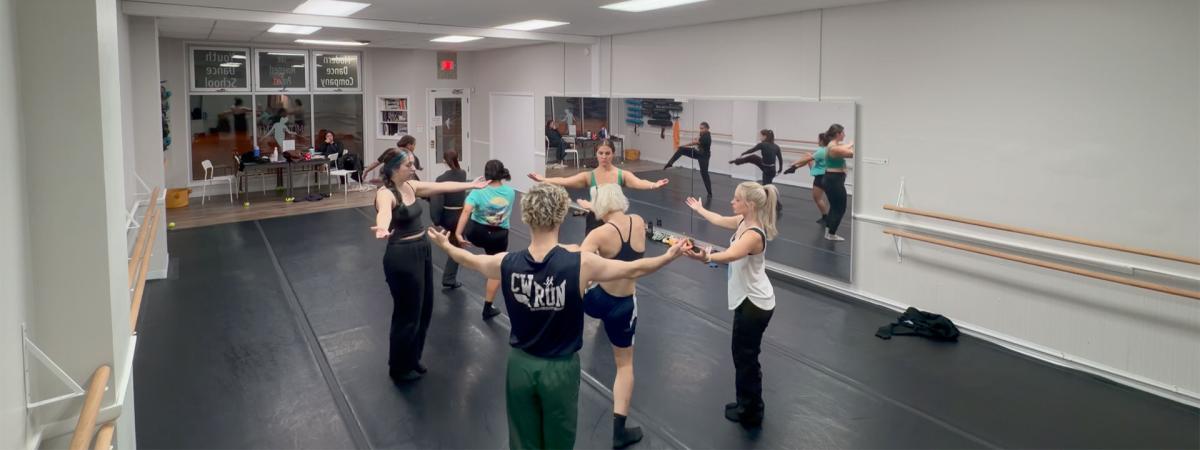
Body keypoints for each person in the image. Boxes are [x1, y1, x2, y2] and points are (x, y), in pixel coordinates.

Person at [428, 182, 691, 450]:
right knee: (559, 442)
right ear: (562, 215)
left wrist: (446, 246)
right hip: (560, 370)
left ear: (525, 216)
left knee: (522, 440)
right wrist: (668, 257)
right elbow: (634, 268)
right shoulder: (581, 265)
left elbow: (469, 260)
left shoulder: (505, 263)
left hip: (520, 366)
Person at [371, 151, 486, 383]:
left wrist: (470, 184)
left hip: (422, 250)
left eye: (413, 163)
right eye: (408, 165)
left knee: (424, 308)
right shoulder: (386, 193)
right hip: (402, 256)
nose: (413, 168)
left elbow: (441, 187)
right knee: (407, 313)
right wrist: (382, 227)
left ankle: (413, 358)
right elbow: (384, 212)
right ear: (393, 168)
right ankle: (399, 367)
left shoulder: (411, 186)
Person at [683, 181, 779, 428]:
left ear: (748, 204)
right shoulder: (742, 222)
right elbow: (717, 219)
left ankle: (752, 411)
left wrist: (707, 257)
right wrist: (700, 209)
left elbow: (732, 254)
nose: (732, 202)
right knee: (741, 354)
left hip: (755, 303)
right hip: (748, 299)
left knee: (746, 357)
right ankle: (745, 401)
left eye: (736, 199)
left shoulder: (753, 234)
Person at [577, 184, 648, 448]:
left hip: (597, 300)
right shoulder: (639, 222)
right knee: (624, 365)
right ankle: (619, 432)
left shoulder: (599, 234)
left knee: (575, 299)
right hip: (623, 305)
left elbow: (580, 267)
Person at [528, 140, 669, 233]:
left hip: (615, 221)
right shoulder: (589, 176)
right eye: (601, 153)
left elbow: (638, 182)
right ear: (596, 154)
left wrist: (653, 185)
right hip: (594, 221)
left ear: (613, 154)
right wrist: (544, 179)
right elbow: (565, 180)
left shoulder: (622, 174)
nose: (604, 157)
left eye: (607, 153)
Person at [457, 160, 516, 320]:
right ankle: (488, 307)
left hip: (477, 234)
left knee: (469, 216)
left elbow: (465, 212)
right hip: (498, 236)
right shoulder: (511, 193)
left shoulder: (477, 192)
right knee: (495, 270)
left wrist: (458, 234)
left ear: (486, 173)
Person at [431, 149, 467, 289]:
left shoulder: (441, 179)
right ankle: (449, 278)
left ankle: (449, 278)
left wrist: (436, 220)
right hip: (460, 216)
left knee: (454, 246)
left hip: (448, 217)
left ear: (444, 161)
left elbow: (437, 202)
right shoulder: (463, 174)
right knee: (456, 245)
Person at [783, 132, 833, 225]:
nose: (817, 141)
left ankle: (826, 217)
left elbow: (807, 159)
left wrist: (794, 163)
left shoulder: (822, 151)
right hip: (822, 174)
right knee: (808, 155)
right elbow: (809, 158)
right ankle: (826, 217)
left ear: (822, 141)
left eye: (818, 139)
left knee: (817, 198)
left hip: (822, 177)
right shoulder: (827, 149)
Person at [818, 124, 853, 241]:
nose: (844, 135)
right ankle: (831, 233)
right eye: (843, 133)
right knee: (840, 208)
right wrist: (854, 144)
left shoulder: (834, 144)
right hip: (834, 180)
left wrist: (851, 143)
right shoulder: (833, 147)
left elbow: (846, 146)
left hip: (833, 179)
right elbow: (851, 153)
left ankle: (829, 232)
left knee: (835, 207)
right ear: (838, 134)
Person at [663, 121, 714, 200]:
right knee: (681, 150)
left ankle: (709, 193)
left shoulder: (707, 136)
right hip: (698, 152)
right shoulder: (702, 134)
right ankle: (670, 163)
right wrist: (683, 146)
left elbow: (695, 142)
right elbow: (697, 141)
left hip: (704, 156)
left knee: (704, 174)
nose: (700, 130)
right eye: (700, 128)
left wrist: (684, 145)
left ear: (707, 128)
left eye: (702, 128)